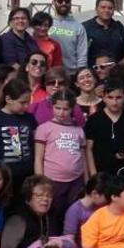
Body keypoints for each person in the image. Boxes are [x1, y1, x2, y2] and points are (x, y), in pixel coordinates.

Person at [34, 90, 87, 234]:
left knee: (73, 215)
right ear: (52, 107)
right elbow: (38, 157)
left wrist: (86, 180)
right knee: (53, 216)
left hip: (76, 181)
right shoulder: (44, 129)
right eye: (58, 108)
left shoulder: (79, 131)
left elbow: (83, 158)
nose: (61, 112)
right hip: (52, 180)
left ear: (72, 109)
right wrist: (40, 181)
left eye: (66, 109)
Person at [85, 79, 124, 178]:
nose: (114, 102)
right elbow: (89, 149)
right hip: (101, 173)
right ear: (104, 98)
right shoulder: (94, 119)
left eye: (118, 97)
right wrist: (93, 175)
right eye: (110, 97)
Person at [0, 79, 36, 197]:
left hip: (26, 174)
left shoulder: (29, 118)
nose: (26, 106)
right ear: (8, 99)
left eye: (28, 102)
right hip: (3, 174)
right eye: (22, 102)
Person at [48, 0, 88, 75]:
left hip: (72, 74)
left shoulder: (78, 27)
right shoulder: (47, 24)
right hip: (50, 73)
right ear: (53, 3)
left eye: (67, 1)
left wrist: (80, 73)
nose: (63, 3)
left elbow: (82, 54)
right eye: (60, 1)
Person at [83, 0, 124, 64]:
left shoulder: (119, 27)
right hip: (92, 71)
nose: (106, 10)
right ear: (96, 9)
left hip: (115, 71)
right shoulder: (85, 28)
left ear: (113, 11)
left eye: (110, 8)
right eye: (103, 7)